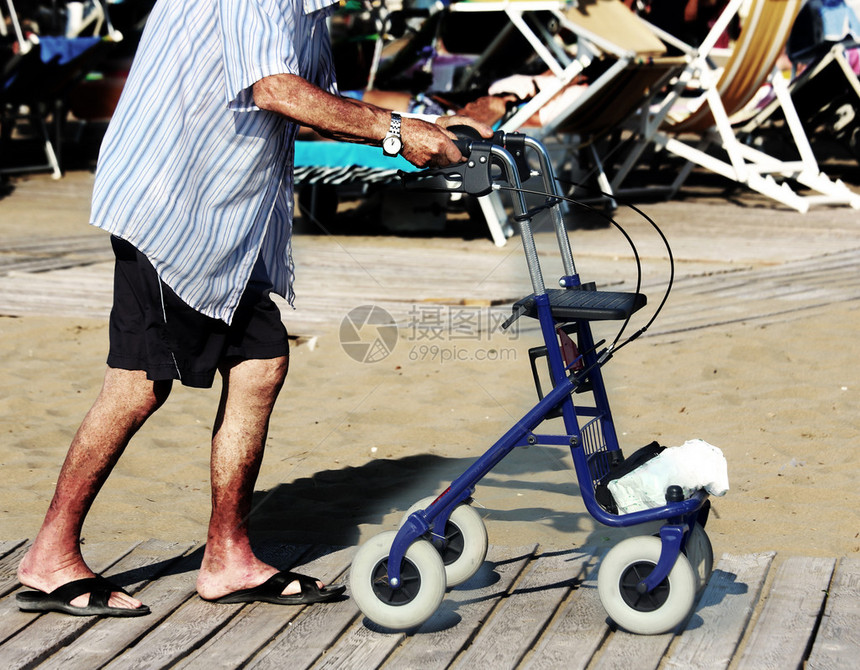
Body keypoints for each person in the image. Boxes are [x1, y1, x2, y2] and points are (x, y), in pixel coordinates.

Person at [15, 0, 491, 617]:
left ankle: (227, 556)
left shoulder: (308, 11)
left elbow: (319, 101)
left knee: (260, 367)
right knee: (139, 383)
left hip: (232, 220)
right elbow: (275, 90)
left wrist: (427, 121)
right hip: (172, 203)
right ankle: (49, 555)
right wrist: (394, 131)